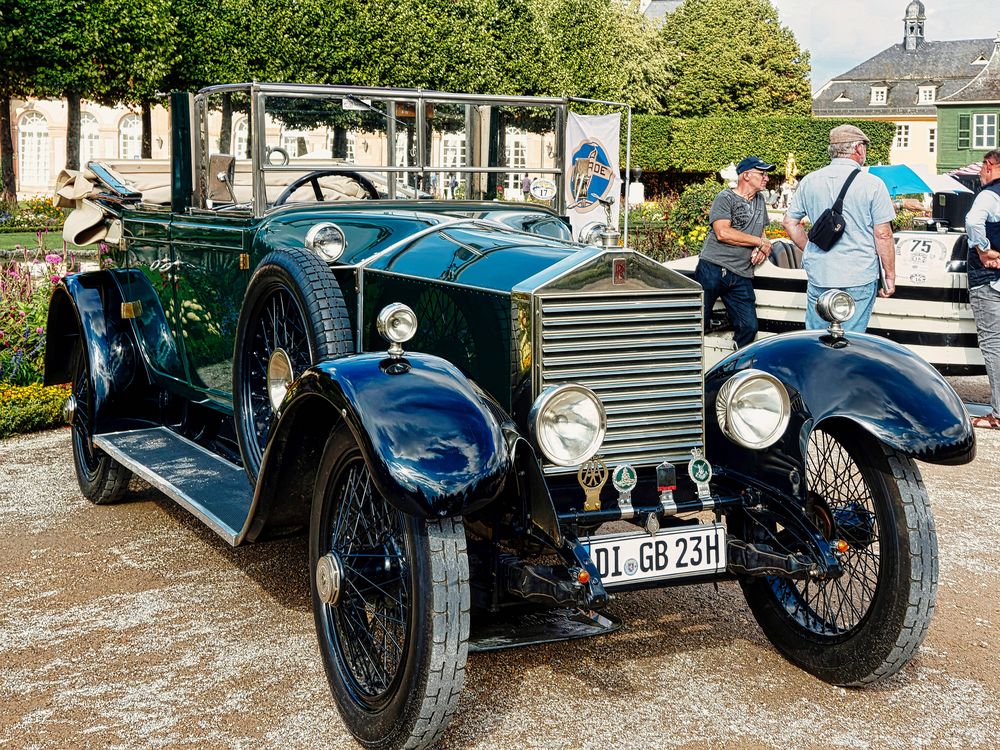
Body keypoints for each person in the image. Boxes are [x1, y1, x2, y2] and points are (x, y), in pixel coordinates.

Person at [781, 124, 896, 332]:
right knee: (851, 341)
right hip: (859, 273)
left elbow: (789, 222)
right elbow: (883, 234)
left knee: (817, 338)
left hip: (821, 272)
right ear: (858, 148)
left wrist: (810, 248)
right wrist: (889, 275)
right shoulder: (872, 184)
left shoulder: (810, 180)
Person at [694, 155, 775, 348]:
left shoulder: (760, 200)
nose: (767, 178)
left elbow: (762, 234)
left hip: (741, 274)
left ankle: (733, 369)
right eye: (762, 173)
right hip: (713, 268)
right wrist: (759, 242)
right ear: (746, 175)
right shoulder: (725, 197)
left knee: (749, 327)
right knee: (696, 324)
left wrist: (763, 248)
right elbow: (723, 232)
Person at [964, 149, 1000, 428]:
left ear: (990, 165)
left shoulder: (989, 195)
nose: (979, 173)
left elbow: (973, 222)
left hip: (989, 279)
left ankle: (998, 413)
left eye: (981, 168)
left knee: (993, 344)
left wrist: (984, 249)